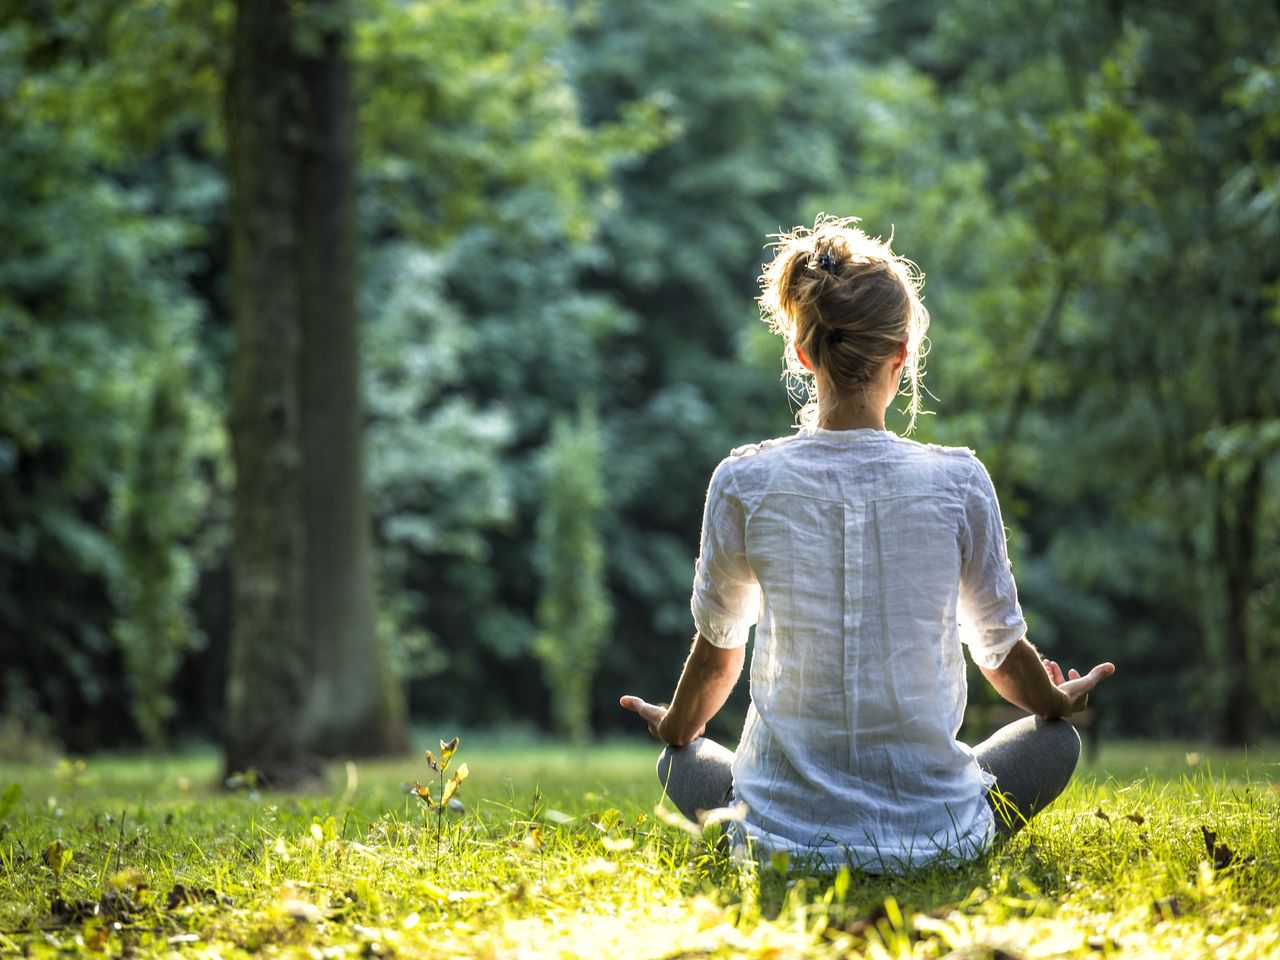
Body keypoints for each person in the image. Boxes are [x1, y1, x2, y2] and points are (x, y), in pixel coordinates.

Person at [620, 215, 1115, 872]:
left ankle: (777, 823)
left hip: (779, 843)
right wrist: (1055, 701)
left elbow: (717, 661)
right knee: (1055, 746)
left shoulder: (743, 481)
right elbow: (999, 655)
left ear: (802, 353)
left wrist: (676, 726)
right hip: (935, 836)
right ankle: (943, 838)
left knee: (677, 760)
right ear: (901, 355)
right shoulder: (958, 480)